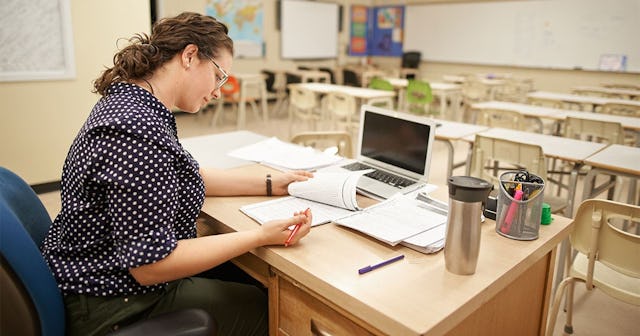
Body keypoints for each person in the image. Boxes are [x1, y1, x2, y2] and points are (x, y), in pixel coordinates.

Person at [41, 12, 313, 336]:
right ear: (189, 56)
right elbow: (150, 265)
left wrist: (271, 184)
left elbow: (185, 174)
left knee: (245, 274)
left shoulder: (136, 104)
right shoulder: (135, 130)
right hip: (110, 299)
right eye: (218, 76)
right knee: (268, 307)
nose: (218, 91)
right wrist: (259, 236)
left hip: (97, 275)